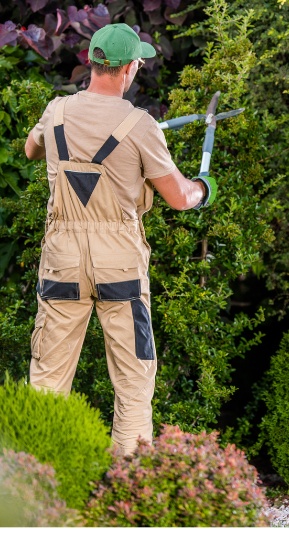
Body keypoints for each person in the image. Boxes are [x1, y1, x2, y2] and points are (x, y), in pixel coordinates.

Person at [23, 23, 206, 455]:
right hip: (119, 263)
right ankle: (127, 486)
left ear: (93, 62)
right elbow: (179, 197)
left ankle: (34, 490)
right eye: (138, 64)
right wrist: (203, 188)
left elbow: (31, 149)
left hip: (62, 259)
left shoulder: (56, 112)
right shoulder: (141, 126)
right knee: (133, 379)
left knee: (47, 380)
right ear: (125, 69)